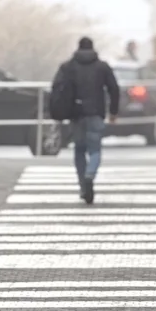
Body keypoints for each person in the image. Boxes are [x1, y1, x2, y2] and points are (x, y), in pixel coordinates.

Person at [54, 37, 120, 204]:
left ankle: (83, 185)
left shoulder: (68, 67)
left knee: (79, 150)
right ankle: (90, 175)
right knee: (95, 150)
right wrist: (113, 111)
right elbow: (114, 89)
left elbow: (56, 88)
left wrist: (58, 112)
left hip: (76, 114)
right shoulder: (102, 67)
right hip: (96, 113)